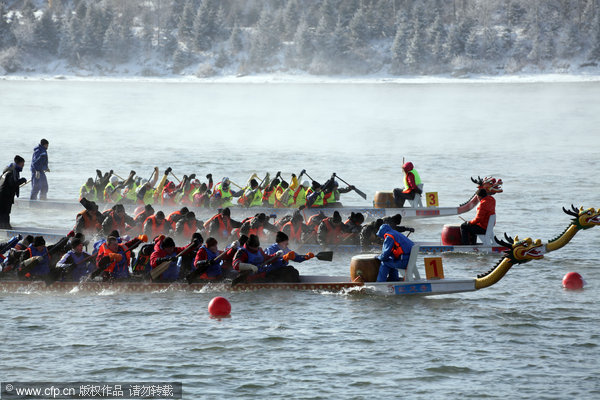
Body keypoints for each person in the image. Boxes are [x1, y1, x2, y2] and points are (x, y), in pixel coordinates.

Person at [0, 155, 27, 229]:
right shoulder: (12, 171)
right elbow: (12, 184)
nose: (23, 166)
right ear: (18, 163)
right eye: (22, 165)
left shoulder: (11, 168)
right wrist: (21, 180)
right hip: (4, 195)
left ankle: (5, 226)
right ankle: (5, 228)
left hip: (5, 194)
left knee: (4, 212)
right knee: (4, 212)